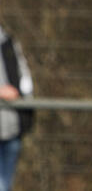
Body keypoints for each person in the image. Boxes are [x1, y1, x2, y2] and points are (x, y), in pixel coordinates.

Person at [0, 24, 33, 191]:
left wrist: (22, 93)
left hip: (12, 126)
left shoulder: (9, 43)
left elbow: (25, 80)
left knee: (5, 184)